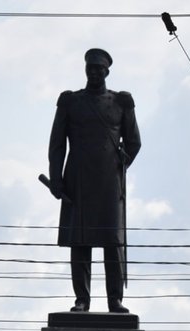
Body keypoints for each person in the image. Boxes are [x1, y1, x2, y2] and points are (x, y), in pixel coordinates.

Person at [44, 47, 140, 314]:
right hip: (78, 178)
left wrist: (122, 162)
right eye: (91, 68)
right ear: (85, 70)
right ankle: (82, 300)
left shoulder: (121, 102)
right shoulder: (70, 102)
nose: (95, 72)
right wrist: (56, 178)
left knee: (112, 242)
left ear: (107, 71)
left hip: (110, 181)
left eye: (99, 69)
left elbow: (134, 141)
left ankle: (115, 300)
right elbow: (56, 143)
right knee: (80, 242)